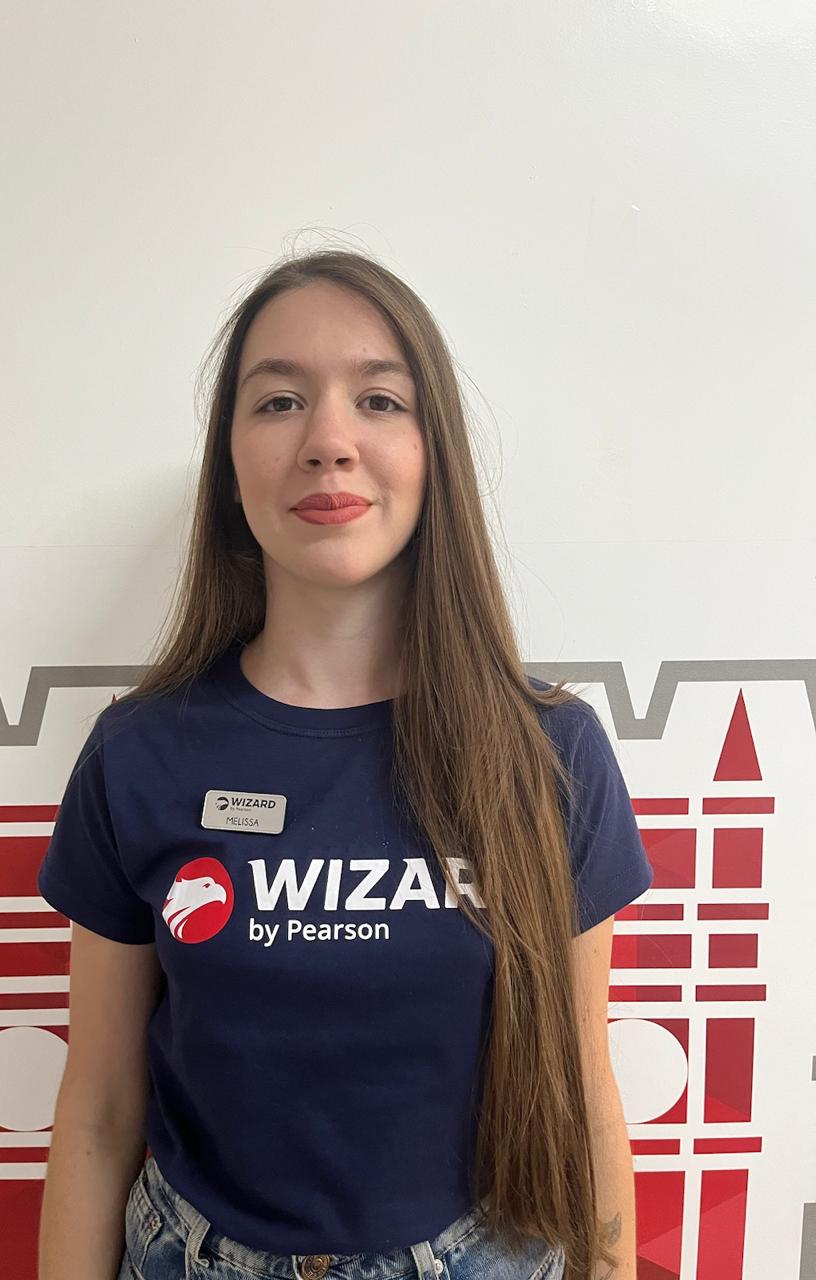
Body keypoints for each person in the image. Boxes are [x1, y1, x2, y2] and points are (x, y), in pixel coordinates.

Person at [36, 248, 653, 1280]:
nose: (328, 441)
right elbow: (98, 1115)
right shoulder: (138, 754)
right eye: (279, 401)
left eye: (378, 399)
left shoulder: (550, 754)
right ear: (229, 464)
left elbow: (585, 1101)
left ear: (432, 450)